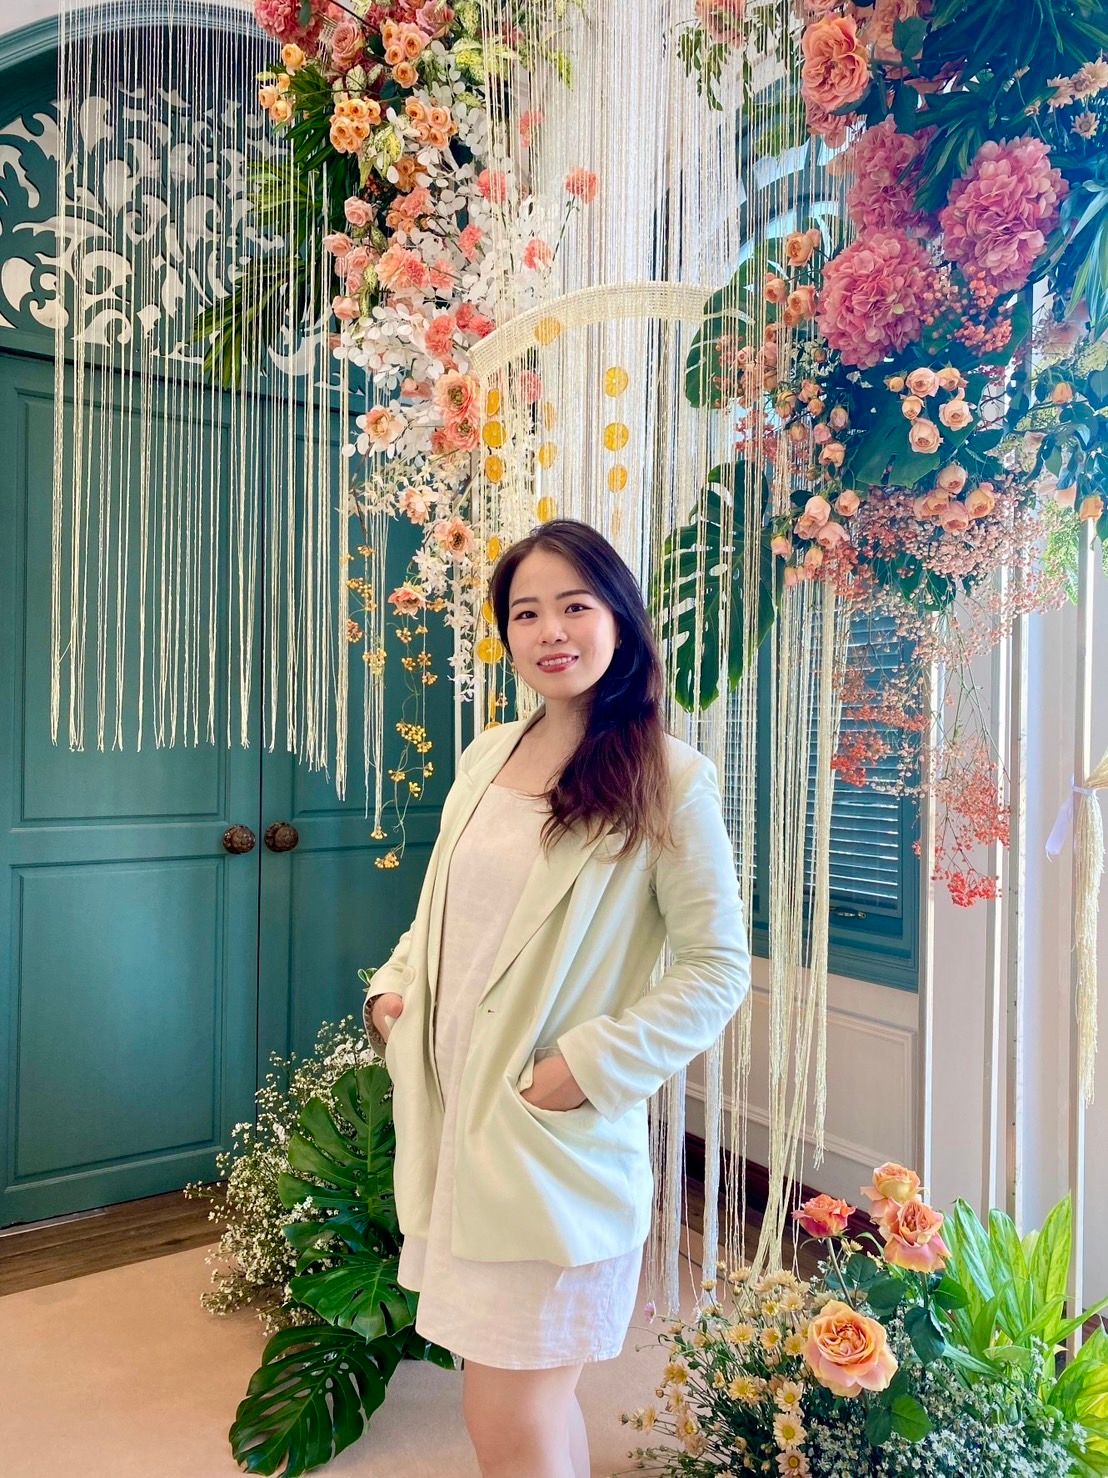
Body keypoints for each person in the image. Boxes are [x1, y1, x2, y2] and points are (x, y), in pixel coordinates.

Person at [363, 517, 750, 1477]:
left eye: (574, 605)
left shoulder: (669, 779)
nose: (550, 631)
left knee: (512, 1410)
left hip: (546, 1147)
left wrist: (583, 1069)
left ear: (619, 619)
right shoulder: (489, 754)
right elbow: (441, 911)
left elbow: (717, 968)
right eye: (525, 612)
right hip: (458, 1131)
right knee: (533, 1399)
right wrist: (394, 988)